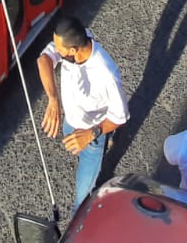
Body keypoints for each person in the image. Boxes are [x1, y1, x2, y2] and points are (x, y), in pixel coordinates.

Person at [38, 16, 130, 213]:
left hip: (91, 133)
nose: (55, 51)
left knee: (83, 193)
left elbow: (120, 115)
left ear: (72, 50)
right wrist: (53, 99)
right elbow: (43, 60)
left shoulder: (107, 75)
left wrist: (90, 134)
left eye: (59, 50)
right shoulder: (77, 42)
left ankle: (77, 218)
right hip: (72, 120)